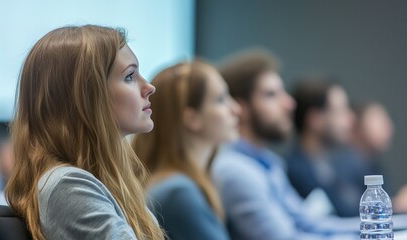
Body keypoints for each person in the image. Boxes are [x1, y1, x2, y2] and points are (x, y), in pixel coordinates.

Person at [5, 25, 164, 240]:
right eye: (130, 76)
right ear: (87, 97)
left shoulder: (109, 183)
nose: (149, 87)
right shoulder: (67, 185)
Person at [211, 49, 356, 240]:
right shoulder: (233, 170)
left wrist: (384, 226)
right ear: (240, 108)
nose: (289, 103)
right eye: (271, 95)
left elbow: (309, 223)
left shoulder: (269, 162)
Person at [133, 61, 239, 240]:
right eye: (221, 99)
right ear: (192, 118)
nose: (236, 109)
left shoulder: (178, 186)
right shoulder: (178, 193)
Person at [286, 77, 356, 217]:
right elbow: (340, 216)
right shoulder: (295, 172)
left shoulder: (332, 165)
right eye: (341, 111)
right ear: (315, 119)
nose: (351, 118)